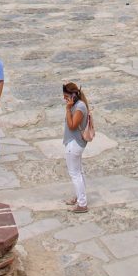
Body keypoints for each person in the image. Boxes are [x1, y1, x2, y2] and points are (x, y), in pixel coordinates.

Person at [62, 81, 90, 213]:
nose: (64, 99)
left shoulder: (79, 107)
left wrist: (68, 109)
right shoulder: (77, 105)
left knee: (75, 174)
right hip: (73, 143)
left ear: (73, 95)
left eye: (66, 96)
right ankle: (80, 197)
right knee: (79, 172)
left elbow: (72, 125)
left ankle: (82, 203)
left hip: (74, 144)